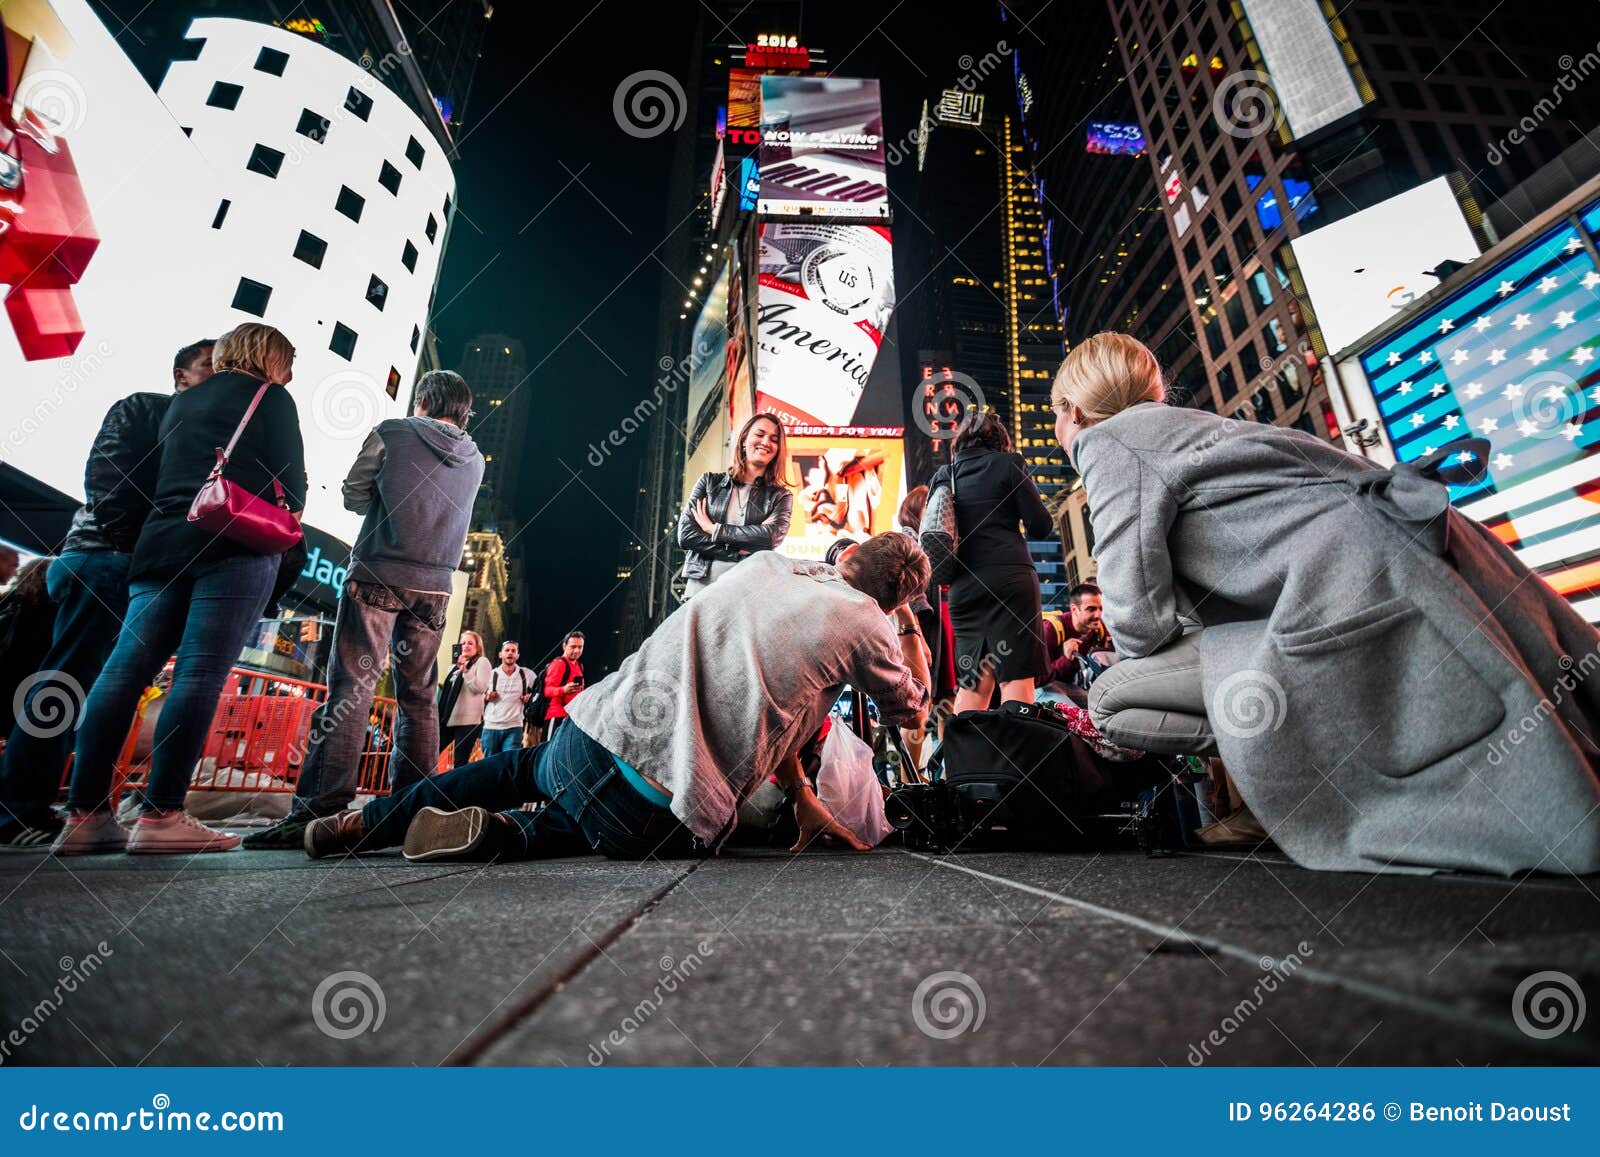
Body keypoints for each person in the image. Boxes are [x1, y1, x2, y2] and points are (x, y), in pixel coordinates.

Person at [1052, 331, 1600, 876]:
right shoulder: (1197, 429)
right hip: (1426, 559)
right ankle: (1273, 799)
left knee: (1110, 700)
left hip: (1347, 594)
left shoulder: (1109, 445)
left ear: (1072, 410)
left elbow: (1138, 628)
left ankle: (1297, 794)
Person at [300, 533, 933, 863]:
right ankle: (502, 835)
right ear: (893, 599)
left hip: (588, 736)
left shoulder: (767, 566)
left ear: (851, 555)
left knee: (512, 768)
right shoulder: (870, 624)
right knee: (585, 828)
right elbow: (915, 708)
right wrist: (904, 623)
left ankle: (359, 823)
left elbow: (770, 684)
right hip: (651, 814)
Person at [53, 323, 306, 855]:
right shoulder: (272, 397)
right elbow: (294, 488)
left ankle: (84, 816)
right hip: (233, 544)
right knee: (199, 675)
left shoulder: (180, 404)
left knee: (122, 674)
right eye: (288, 359)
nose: (290, 371)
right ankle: (162, 814)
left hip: (158, 546)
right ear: (270, 358)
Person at [244, 371, 484, 850]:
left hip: (377, 572)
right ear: (461, 410)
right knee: (419, 697)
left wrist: (383, 503)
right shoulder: (475, 457)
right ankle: (412, 812)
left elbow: (355, 493)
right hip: (435, 589)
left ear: (422, 399)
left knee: (352, 688)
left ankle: (320, 811)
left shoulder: (394, 431)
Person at [0, 340, 215, 849]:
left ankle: (48, 807)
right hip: (105, 563)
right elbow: (108, 481)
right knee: (66, 687)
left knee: (78, 687)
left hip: (122, 567)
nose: (218, 376)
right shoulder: (146, 409)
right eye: (208, 367)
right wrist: (131, 552)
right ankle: (17, 812)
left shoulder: (200, 431)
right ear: (180, 374)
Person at [935, 410, 1054, 714]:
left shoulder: (944, 474)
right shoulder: (1010, 465)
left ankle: (968, 759)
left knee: (973, 686)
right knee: (1016, 681)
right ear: (999, 438)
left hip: (964, 586)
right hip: (1011, 580)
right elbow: (1040, 526)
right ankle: (1016, 757)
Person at [677, 413, 793, 598]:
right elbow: (687, 535)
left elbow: (770, 537)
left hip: (746, 592)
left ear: (779, 449)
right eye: (760, 434)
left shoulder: (780, 496)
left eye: (774, 439)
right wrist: (736, 551)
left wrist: (714, 529)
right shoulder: (709, 483)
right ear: (744, 439)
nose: (766, 442)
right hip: (701, 589)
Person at [1042, 583, 1114, 686]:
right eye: (1091, 609)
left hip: (1077, 684)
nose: (1098, 615)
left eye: (1101, 609)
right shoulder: (1051, 630)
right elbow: (1035, 680)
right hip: (1047, 687)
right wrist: (1065, 659)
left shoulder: (1100, 629)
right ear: (1074, 609)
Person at [439, 630, 491, 767]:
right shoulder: (454, 666)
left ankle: (454, 788)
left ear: (477, 647)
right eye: (463, 643)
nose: (465, 645)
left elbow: (479, 688)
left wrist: (466, 671)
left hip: (468, 721)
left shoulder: (482, 662)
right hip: (448, 719)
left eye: (470, 643)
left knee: (459, 762)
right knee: (431, 753)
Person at [481, 640, 535, 757]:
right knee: (488, 765)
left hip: (514, 727)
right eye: (507, 650)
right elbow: (478, 694)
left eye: (513, 651)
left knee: (509, 763)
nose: (510, 653)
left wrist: (530, 697)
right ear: (501, 654)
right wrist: (487, 696)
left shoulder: (526, 674)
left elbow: (540, 690)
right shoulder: (491, 674)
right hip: (491, 727)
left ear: (517, 655)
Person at [540, 630, 585, 737]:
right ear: (564, 646)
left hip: (571, 717)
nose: (577, 650)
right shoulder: (559, 664)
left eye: (580, 647)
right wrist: (563, 690)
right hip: (555, 715)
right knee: (550, 750)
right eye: (573, 646)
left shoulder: (579, 666)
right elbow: (546, 691)